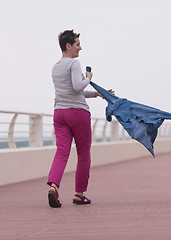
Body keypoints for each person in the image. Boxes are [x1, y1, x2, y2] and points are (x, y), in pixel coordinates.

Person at [47, 30, 111, 208]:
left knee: (62, 153)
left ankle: (53, 187)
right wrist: (89, 78)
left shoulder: (55, 67)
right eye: (77, 44)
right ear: (68, 46)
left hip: (60, 113)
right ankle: (79, 194)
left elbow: (74, 90)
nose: (80, 48)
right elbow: (77, 87)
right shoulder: (74, 63)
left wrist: (97, 94)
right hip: (77, 113)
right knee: (83, 154)